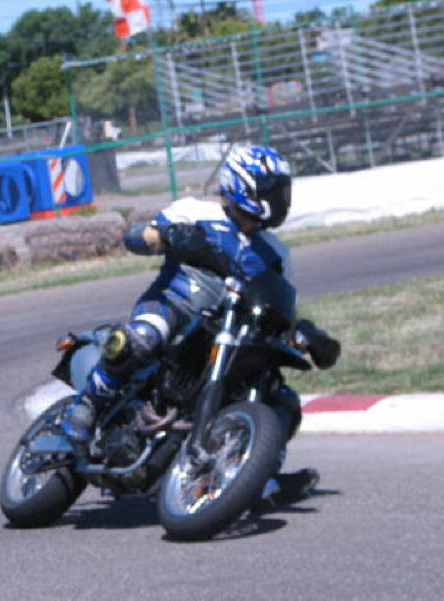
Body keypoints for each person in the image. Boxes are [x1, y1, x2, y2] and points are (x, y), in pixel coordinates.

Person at [62, 145, 339, 502]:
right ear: (243, 186)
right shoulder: (195, 212)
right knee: (144, 338)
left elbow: (279, 306)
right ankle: (85, 408)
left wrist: (304, 334)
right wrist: (168, 237)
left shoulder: (276, 253)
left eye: (282, 191)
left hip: (228, 331)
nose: (280, 199)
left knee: (283, 398)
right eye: (273, 190)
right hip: (174, 305)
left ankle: (256, 473)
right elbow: (136, 237)